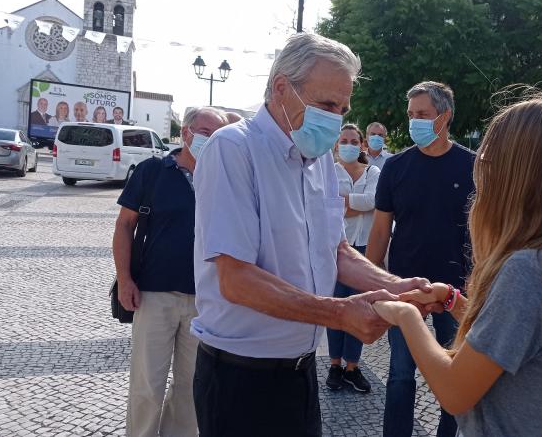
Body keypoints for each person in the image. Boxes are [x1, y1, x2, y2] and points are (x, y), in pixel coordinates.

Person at [191, 33, 430, 437]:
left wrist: (396, 287)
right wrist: (339, 313)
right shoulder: (233, 149)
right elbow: (236, 279)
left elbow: (335, 251)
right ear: (282, 87)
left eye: (342, 108)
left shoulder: (317, 158)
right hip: (239, 378)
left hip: (300, 371)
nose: (335, 119)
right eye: (326, 105)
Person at [373, 92, 542, 437]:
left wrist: (405, 316)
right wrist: (453, 300)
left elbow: (454, 392)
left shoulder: (529, 270)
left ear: (518, 175)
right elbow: (512, 341)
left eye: (488, 159)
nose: (481, 172)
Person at [366, 81, 473, 437]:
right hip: (404, 287)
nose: (415, 122)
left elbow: (482, 233)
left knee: (454, 372)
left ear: (445, 117)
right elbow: (380, 231)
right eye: (411, 115)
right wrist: (374, 283)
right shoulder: (396, 168)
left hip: (455, 292)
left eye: (423, 115)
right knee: (399, 374)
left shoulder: (472, 167)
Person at [112, 106, 228, 437]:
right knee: (148, 385)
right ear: (186, 133)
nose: (209, 139)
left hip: (205, 300)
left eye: (216, 134)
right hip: (154, 293)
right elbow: (124, 226)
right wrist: (125, 279)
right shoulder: (152, 170)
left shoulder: (223, 177)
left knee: (191, 388)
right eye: (204, 131)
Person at [325, 124, 381, 393]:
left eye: (353, 140)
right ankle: (334, 365)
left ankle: (352, 367)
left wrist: (346, 203)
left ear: (361, 145)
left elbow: (373, 200)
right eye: (343, 140)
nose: (347, 144)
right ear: (337, 144)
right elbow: (327, 206)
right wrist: (355, 205)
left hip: (366, 248)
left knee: (360, 307)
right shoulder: (328, 171)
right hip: (335, 249)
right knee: (336, 306)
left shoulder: (373, 172)